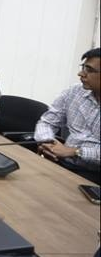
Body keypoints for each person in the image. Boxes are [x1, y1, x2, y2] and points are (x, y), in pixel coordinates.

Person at [34, 48, 100, 184]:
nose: (81, 74)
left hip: (95, 175)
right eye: (83, 67)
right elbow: (47, 122)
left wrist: (74, 151)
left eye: (89, 70)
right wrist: (48, 143)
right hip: (62, 162)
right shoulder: (75, 91)